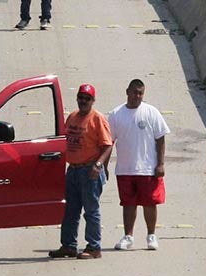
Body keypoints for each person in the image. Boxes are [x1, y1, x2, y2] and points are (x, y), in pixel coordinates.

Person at [48, 84, 112, 260]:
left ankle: (94, 247)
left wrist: (98, 165)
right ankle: (68, 245)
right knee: (70, 210)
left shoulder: (97, 119)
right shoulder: (73, 117)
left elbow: (107, 146)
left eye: (87, 98)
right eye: (81, 97)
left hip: (89, 171)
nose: (83, 101)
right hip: (73, 170)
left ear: (93, 100)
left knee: (91, 211)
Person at [108, 79, 170, 251]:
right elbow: (108, 142)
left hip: (148, 169)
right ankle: (128, 236)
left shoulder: (151, 112)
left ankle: (151, 236)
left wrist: (160, 164)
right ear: (127, 91)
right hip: (125, 169)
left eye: (141, 92)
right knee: (128, 203)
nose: (138, 96)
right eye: (135, 92)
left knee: (150, 203)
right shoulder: (116, 114)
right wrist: (103, 166)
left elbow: (161, 139)